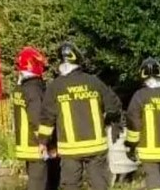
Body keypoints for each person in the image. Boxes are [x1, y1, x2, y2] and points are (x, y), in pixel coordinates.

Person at [38, 42, 123, 190]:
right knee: (99, 185)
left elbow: (47, 119)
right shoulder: (94, 82)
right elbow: (114, 106)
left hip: (70, 150)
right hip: (96, 146)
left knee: (71, 186)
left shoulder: (55, 87)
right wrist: (106, 121)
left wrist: (43, 142)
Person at [125, 58, 160, 190]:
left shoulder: (139, 97)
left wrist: (131, 146)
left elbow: (133, 123)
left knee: (153, 181)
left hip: (148, 152)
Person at [12, 47, 60, 190]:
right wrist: (46, 143)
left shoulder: (20, 88)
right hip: (37, 146)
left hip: (27, 144)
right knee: (39, 184)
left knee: (35, 181)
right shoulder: (34, 89)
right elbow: (37, 118)